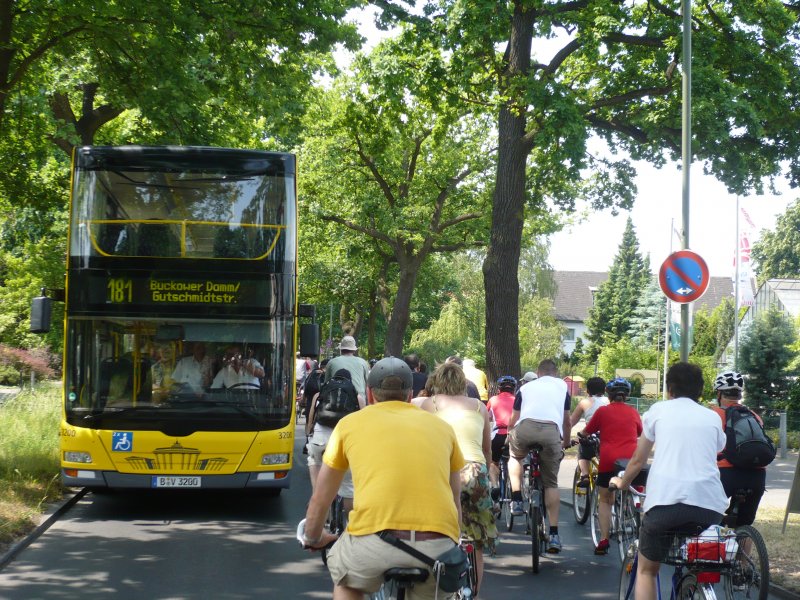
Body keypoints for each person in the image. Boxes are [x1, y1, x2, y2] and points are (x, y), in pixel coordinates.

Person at [300, 357, 465, 600]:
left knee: (346, 580)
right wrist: (453, 539)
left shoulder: (349, 425)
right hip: (436, 548)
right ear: (410, 395)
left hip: (373, 544)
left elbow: (321, 499)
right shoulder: (442, 429)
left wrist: (313, 537)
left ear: (368, 393)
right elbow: (455, 497)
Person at [609, 363, 728, 600]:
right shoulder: (712, 417)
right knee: (698, 561)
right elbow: (718, 448)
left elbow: (637, 460)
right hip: (709, 506)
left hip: (665, 504)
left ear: (670, 389)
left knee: (646, 570)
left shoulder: (657, 411)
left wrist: (622, 483)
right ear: (701, 390)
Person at [419, 362, 495, 596]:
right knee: (476, 540)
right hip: (475, 471)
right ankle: (475, 591)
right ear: (463, 383)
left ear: (436, 382)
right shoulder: (478, 406)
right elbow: (486, 449)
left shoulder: (428, 405)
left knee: (435, 532)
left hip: (442, 471)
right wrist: (488, 468)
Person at [507, 359, 571, 553]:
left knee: (515, 457)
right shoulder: (562, 387)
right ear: (556, 372)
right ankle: (553, 534)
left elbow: (514, 417)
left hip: (526, 428)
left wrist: (510, 432)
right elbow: (566, 421)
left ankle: (517, 499)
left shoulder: (526, 388)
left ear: (538, 372)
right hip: (551, 432)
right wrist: (566, 442)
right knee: (551, 483)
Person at [582, 377, 642, 555]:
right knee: (631, 487)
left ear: (609, 394)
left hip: (609, 460)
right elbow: (639, 432)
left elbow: (587, 431)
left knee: (605, 499)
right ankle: (630, 510)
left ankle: (604, 539)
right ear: (627, 396)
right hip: (631, 460)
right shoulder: (633, 412)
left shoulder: (602, 411)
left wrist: (582, 434)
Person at [710, 371, 766, 527]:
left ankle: (714, 546)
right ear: (740, 394)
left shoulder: (713, 415)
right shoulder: (754, 416)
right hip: (757, 475)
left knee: (708, 517)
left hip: (726, 474)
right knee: (744, 525)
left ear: (719, 393)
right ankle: (744, 547)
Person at [306, 367, 360, 514]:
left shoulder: (319, 394)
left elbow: (310, 420)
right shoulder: (357, 396)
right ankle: (350, 524)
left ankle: (319, 504)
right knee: (349, 486)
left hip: (320, 440)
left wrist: (309, 437)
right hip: (345, 443)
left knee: (314, 460)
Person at [570, 376, 609, 487]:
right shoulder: (609, 401)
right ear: (605, 390)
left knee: (583, 452)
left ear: (587, 391)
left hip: (591, 436)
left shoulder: (585, 402)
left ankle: (585, 475)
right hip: (607, 436)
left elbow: (571, 422)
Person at [486, 375, 517, 500]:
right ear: (514, 389)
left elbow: (487, 417)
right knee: (516, 461)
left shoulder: (493, 400)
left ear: (499, 389)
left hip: (498, 435)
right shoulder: (518, 400)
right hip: (514, 436)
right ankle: (517, 489)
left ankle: (494, 485)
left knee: (493, 463)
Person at [325, 336, 370, 404]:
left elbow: (326, 384)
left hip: (336, 401)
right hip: (358, 402)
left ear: (341, 349)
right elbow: (367, 386)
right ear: (354, 350)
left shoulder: (331, 362)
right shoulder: (363, 362)